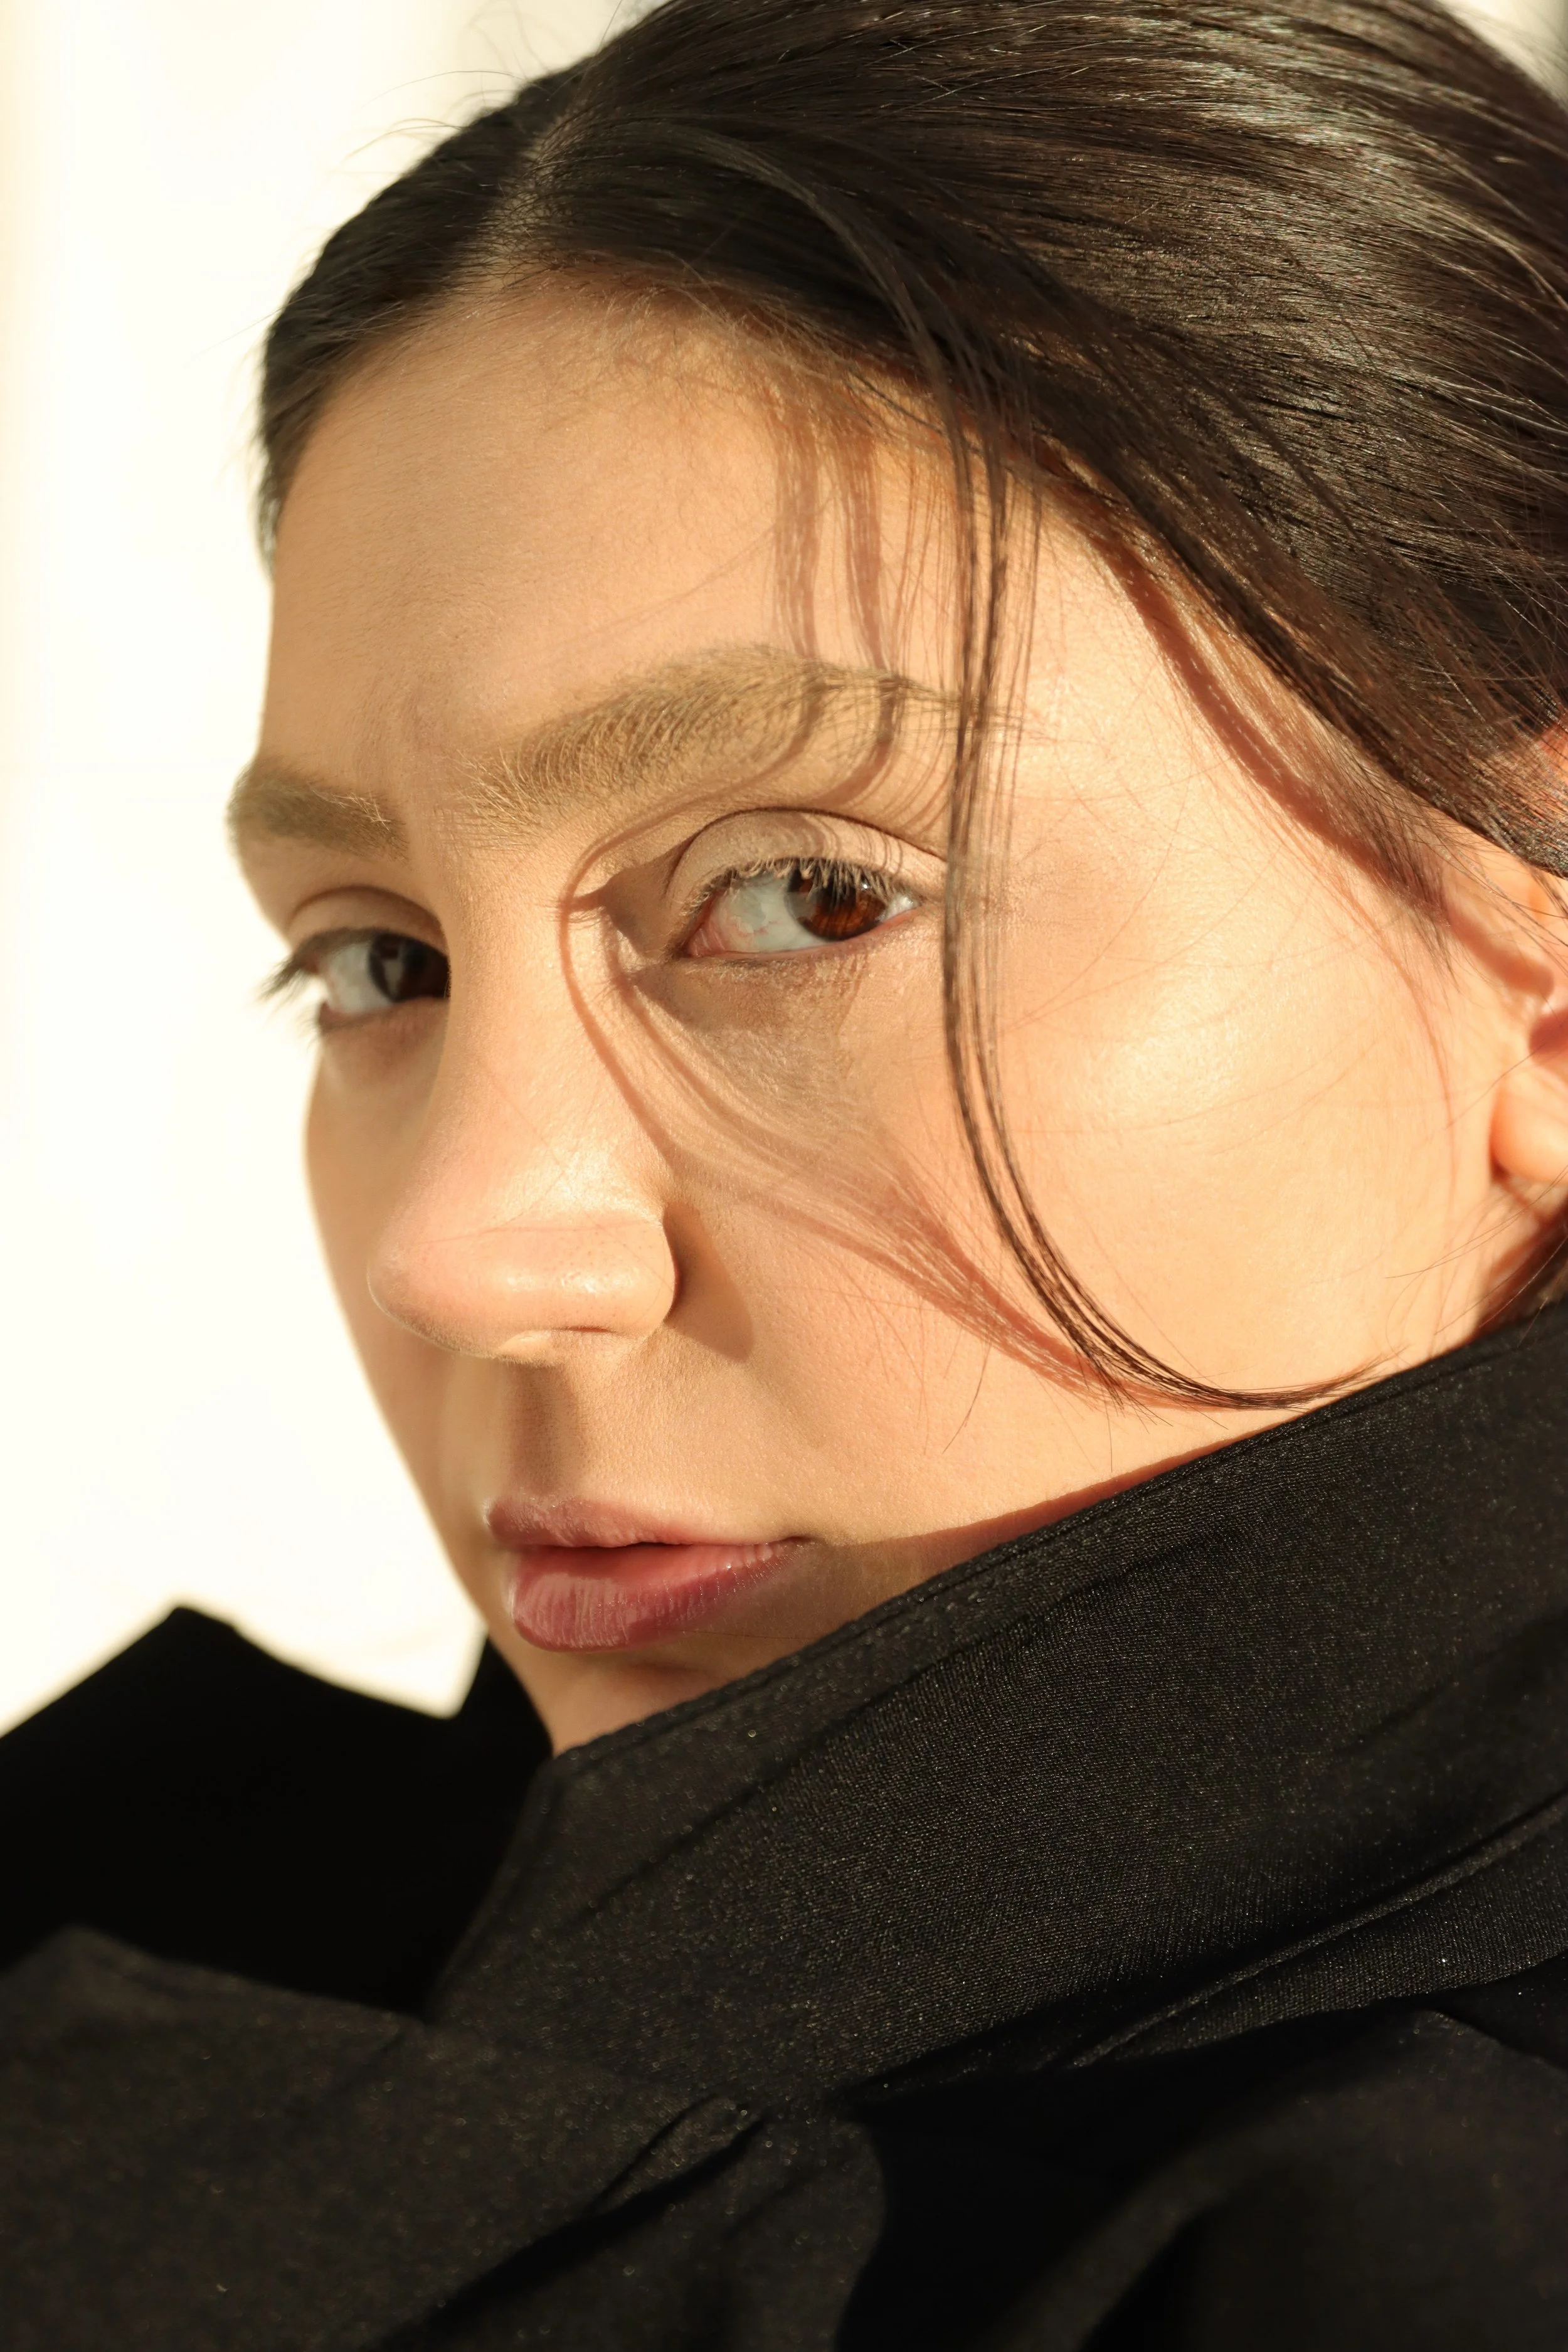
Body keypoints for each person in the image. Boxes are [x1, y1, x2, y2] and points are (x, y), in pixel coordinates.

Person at [4, 0, 1568, 2340]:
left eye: (808, 898)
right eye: (382, 960)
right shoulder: (208, 1978)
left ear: (1536, 984)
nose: (458, 1253)